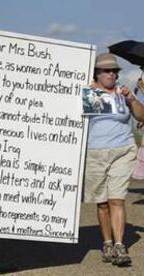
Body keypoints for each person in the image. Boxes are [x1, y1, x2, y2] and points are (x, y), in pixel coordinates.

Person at [84, 53, 144, 266]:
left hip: (122, 151)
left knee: (116, 198)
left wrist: (132, 98)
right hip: (95, 152)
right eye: (106, 70)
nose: (111, 74)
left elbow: (141, 116)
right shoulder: (86, 93)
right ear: (97, 73)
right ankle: (107, 243)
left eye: (115, 71)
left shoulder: (123, 92)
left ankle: (120, 246)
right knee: (102, 203)